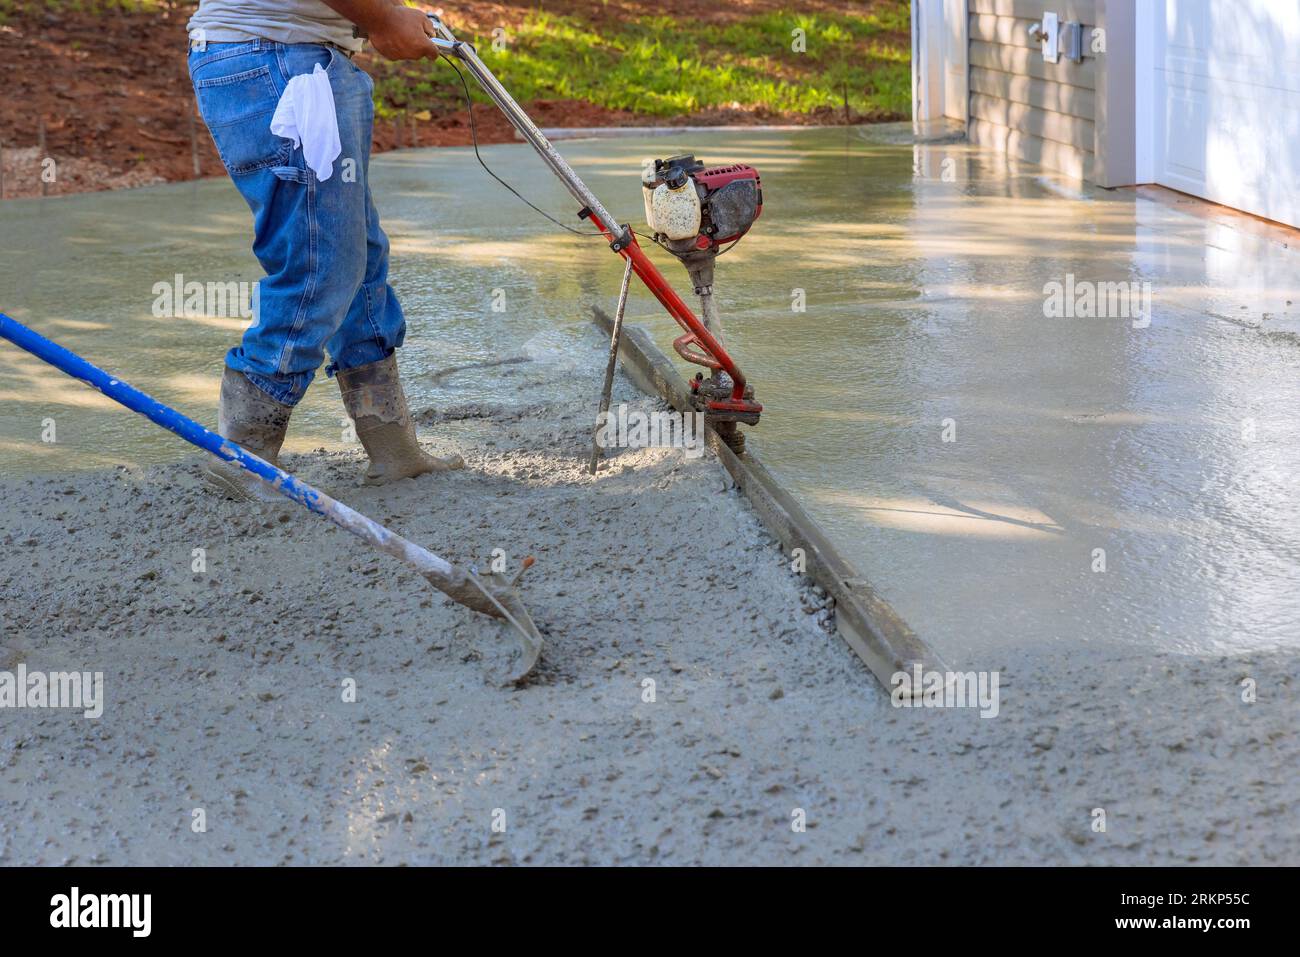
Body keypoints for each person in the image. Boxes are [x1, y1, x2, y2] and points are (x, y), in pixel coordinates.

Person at [186, 0, 462, 500]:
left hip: (295, 56)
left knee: (358, 251)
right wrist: (382, 20)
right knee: (322, 260)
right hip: (274, 58)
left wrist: (388, 13)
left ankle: (393, 448)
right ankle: (243, 456)